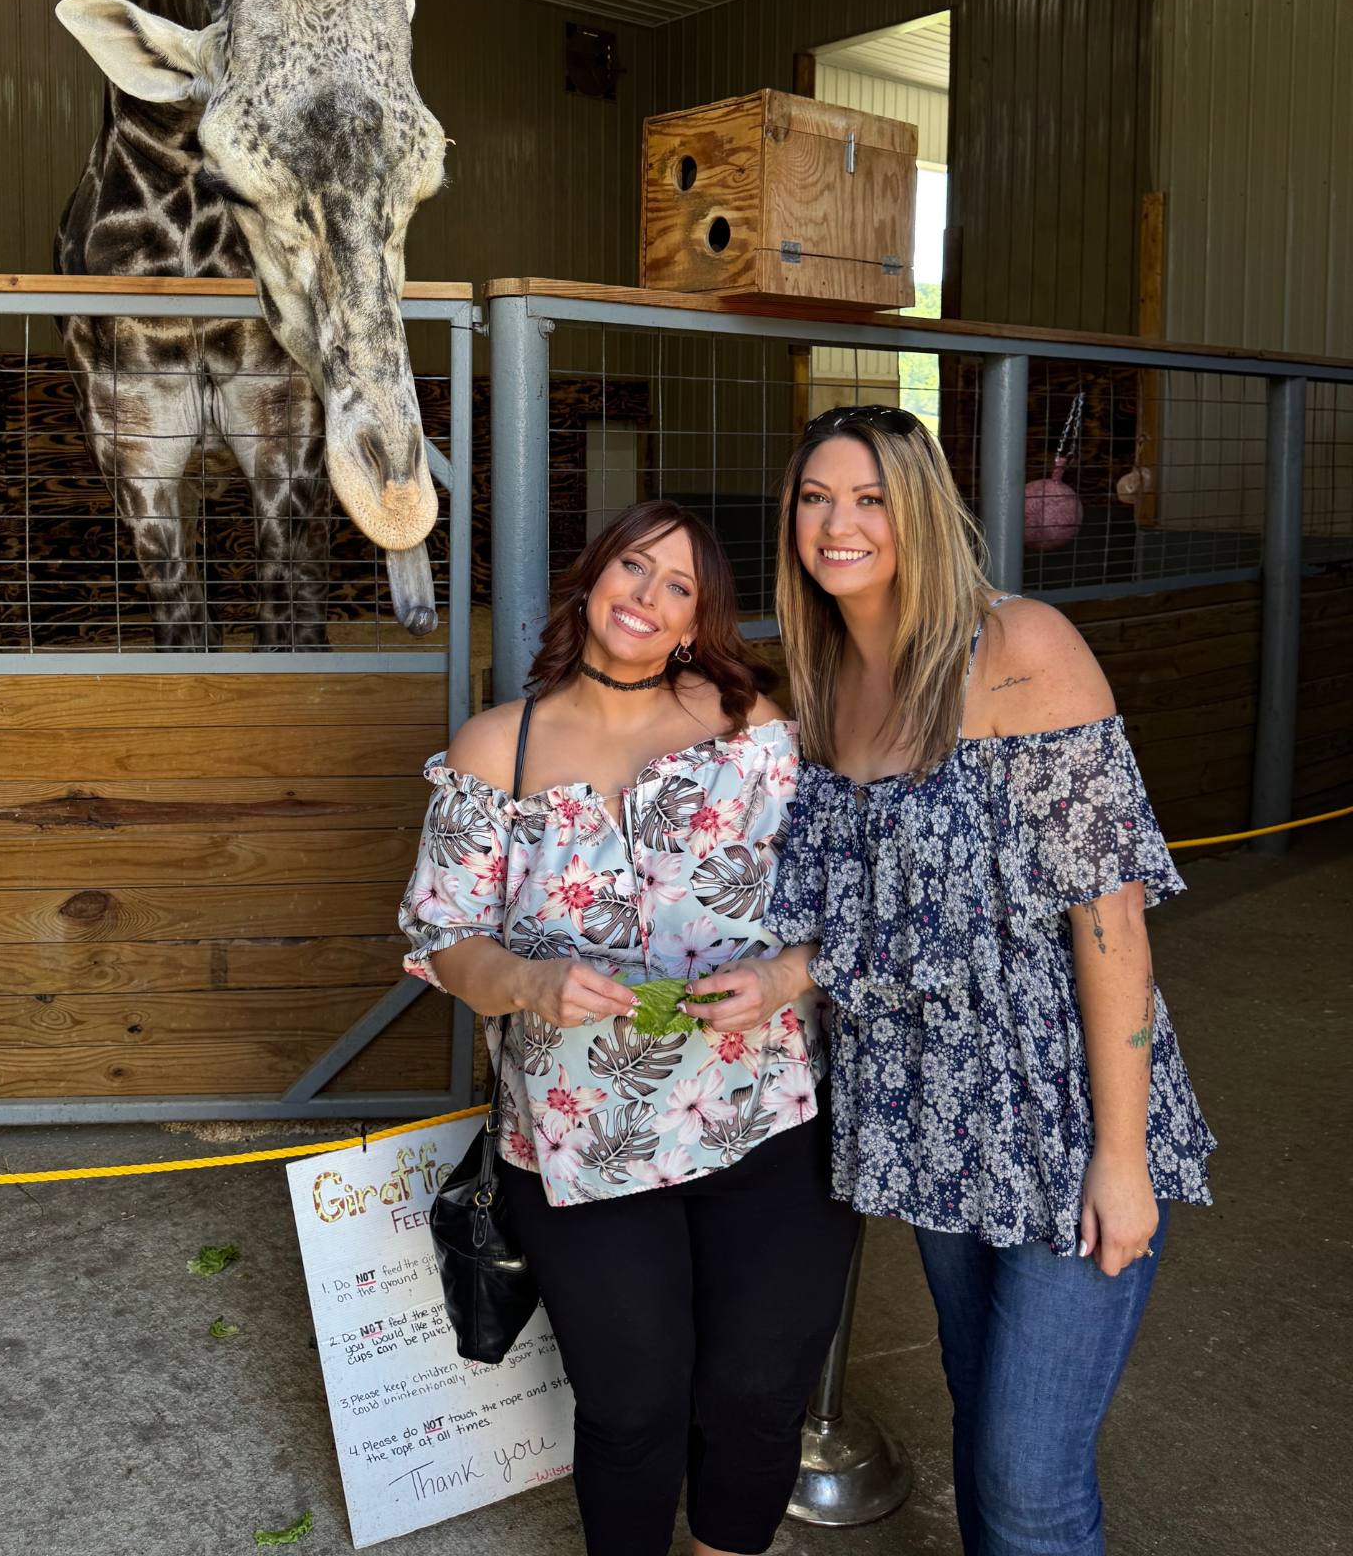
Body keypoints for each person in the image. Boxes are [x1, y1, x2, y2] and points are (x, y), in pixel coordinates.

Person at [764, 404, 1216, 1556]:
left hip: (1062, 1107)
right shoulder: (821, 686)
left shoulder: (1019, 647)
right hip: (931, 1121)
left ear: (920, 511)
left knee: (1028, 1480)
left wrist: (1122, 1156)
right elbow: (855, 917)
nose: (839, 522)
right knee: (985, 1426)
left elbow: (1108, 918)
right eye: (816, 496)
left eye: (869, 498)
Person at [398, 499, 858, 1556]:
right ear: (591, 578)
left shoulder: (757, 732)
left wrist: (785, 973)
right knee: (633, 1405)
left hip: (766, 1117)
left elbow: (848, 893)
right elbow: (444, 937)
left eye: (679, 585)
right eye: (633, 568)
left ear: (701, 620)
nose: (647, 598)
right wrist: (526, 979)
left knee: (756, 1386)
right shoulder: (495, 747)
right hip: (579, 1142)